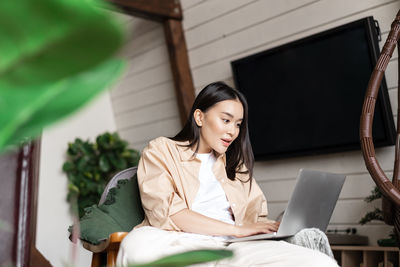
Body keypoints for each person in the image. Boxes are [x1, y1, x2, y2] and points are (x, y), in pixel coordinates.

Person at [117, 82, 338, 266]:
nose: (233, 131)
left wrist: (278, 226)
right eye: (226, 120)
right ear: (200, 117)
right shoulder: (162, 150)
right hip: (178, 240)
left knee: (318, 262)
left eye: (238, 124)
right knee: (136, 247)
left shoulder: (236, 166)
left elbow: (255, 218)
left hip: (233, 246)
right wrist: (237, 230)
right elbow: (168, 214)